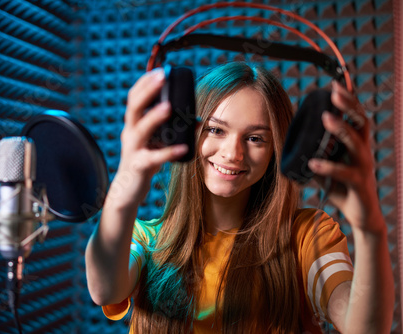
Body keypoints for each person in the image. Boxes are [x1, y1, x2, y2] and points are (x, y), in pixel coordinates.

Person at [85, 62, 394, 333]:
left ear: (278, 151)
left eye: (255, 138)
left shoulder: (307, 237)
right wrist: (125, 187)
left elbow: (363, 327)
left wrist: (370, 229)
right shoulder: (146, 238)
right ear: (187, 134)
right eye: (216, 130)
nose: (233, 154)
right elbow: (104, 289)